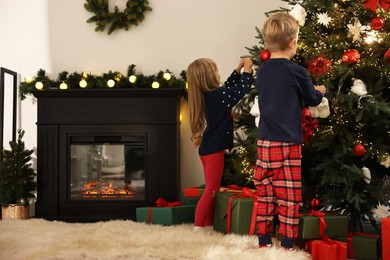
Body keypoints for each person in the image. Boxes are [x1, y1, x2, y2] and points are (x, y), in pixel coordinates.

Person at [254, 12, 326, 250]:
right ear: (292, 42)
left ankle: (263, 241)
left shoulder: (262, 72)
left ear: (267, 43)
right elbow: (312, 99)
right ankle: (286, 244)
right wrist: (320, 91)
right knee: (289, 196)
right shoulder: (297, 71)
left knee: (265, 194)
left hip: (264, 143)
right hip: (287, 144)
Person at [186, 57, 254, 231]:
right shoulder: (218, 96)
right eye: (215, 71)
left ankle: (207, 225)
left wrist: (238, 69)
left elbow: (228, 87)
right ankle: (198, 227)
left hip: (207, 149)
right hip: (214, 150)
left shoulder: (211, 95)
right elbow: (239, 91)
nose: (218, 73)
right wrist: (247, 71)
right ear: (208, 76)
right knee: (211, 190)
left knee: (212, 189)